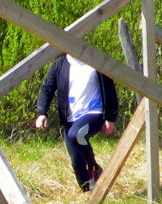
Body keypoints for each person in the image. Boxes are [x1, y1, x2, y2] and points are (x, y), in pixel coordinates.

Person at [35, 54, 118, 192]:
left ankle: (94, 167)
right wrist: (42, 113)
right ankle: (89, 194)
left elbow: (110, 89)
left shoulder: (95, 61)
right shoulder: (59, 65)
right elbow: (47, 89)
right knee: (76, 162)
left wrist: (110, 118)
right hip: (71, 117)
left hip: (94, 113)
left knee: (76, 135)